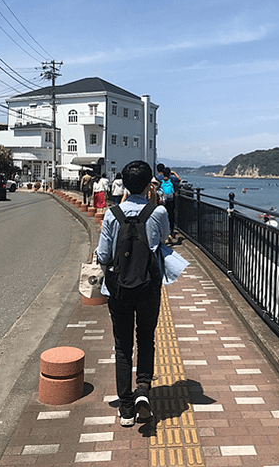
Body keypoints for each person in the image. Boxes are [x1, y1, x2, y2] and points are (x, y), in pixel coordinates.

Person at [96, 161, 170, 427]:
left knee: (123, 347)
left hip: (118, 288)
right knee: (146, 338)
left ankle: (126, 408)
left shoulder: (111, 214)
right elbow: (164, 238)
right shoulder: (158, 212)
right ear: (150, 184)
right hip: (148, 286)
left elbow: (103, 255)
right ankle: (143, 391)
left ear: (124, 184)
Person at [159, 167, 176, 235]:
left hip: (163, 201)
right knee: (171, 216)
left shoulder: (160, 182)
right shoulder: (172, 181)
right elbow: (175, 192)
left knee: (163, 215)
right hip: (171, 202)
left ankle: (163, 231)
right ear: (169, 174)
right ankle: (171, 231)